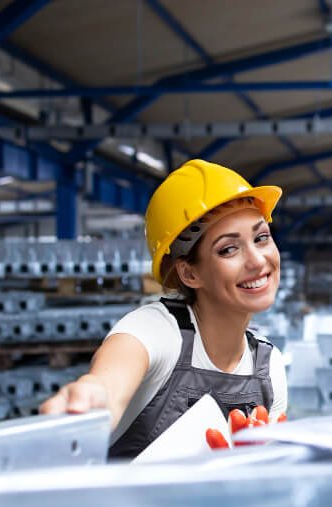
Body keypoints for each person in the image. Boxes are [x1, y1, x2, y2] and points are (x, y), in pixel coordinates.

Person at [40, 159, 288, 460]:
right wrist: (94, 395)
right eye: (229, 249)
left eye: (261, 238)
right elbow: (111, 379)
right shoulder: (157, 330)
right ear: (189, 274)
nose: (258, 260)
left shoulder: (268, 367)